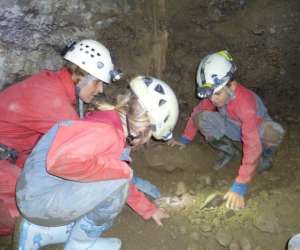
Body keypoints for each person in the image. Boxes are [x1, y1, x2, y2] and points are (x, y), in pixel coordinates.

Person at [16, 76, 179, 250]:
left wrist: (148, 209)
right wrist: (123, 171)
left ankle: (42, 232)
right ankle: (79, 245)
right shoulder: (106, 133)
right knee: (118, 183)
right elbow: (63, 162)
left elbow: (108, 172)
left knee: (118, 177)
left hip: (36, 192)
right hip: (37, 202)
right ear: (143, 129)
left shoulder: (108, 120)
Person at [0, 39, 122, 235]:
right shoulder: (52, 100)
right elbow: (86, 152)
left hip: (12, 153)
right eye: (98, 82)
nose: (100, 90)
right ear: (81, 77)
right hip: (4, 159)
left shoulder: (52, 85)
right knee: (26, 212)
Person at [168, 50, 285, 210]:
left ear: (230, 84)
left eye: (217, 94)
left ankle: (265, 156)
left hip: (257, 129)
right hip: (234, 125)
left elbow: (252, 144)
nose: (213, 99)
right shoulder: (217, 94)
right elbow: (197, 111)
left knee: (274, 132)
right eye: (210, 95)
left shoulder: (245, 104)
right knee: (201, 117)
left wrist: (240, 185)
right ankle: (230, 151)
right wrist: (185, 139)